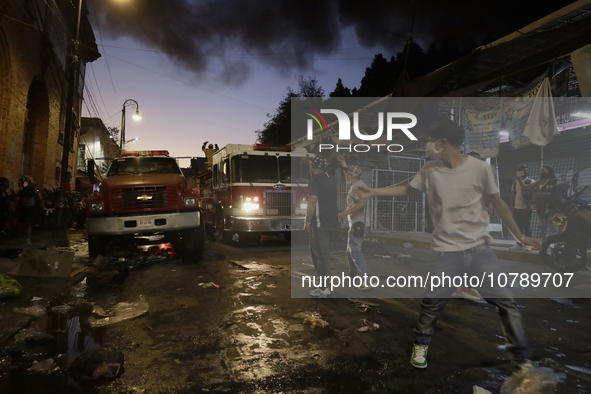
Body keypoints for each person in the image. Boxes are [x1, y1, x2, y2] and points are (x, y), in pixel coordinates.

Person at [357, 119, 540, 370]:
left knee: (506, 303)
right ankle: (420, 347)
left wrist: (519, 237)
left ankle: (522, 360)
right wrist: (372, 192)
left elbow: (498, 204)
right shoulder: (429, 171)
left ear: (443, 142)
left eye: (430, 141)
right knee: (432, 303)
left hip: (479, 250)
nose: (427, 145)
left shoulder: (479, 168)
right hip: (446, 253)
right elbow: (408, 191)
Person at [335, 155, 373, 286]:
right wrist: (343, 162)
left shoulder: (357, 187)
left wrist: (344, 213)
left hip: (359, 223)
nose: (345, 176)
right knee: (349, 249)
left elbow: (362, 203)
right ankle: (353, 275)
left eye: (347, 175)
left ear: (351, 176)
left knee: (355, 250)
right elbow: (348, 172)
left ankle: (368, 278)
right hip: (356, 222)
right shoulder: (357, 183)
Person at [305, 157, 339, 298]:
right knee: (322, 254)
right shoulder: (330, 178)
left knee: (320, 255)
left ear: (313, 167)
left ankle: (324, 288)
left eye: (309, 167)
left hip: (320, 224)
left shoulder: (315, 180)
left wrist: (307, 221)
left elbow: (312, 202)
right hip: (332, 223)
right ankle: (324, 285)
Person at [516, 165, 558, 242]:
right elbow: (526, 187)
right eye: (541, 170)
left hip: (550, 209)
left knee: (553, 228)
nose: (541, 172)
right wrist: (518, 179)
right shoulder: (539, 182)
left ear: (548, 171)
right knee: (542, 230)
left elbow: (558, 193)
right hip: (540, 209)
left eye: (543, 170)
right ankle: (544, 246)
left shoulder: (553, 181)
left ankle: (558, 244)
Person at [509, 165, 535, 251]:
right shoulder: (515, 183)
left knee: (526, 227)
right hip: (517, 208)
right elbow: (512, 195)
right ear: (519, 172)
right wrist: (512, 205)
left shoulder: (530, 181)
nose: (526, 172)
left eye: (526, 171)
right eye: (523, 171)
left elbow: (533, 195)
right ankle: (519, 244)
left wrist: (528, 206)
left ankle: (528, 244)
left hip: (526, 208)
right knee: (518, 227)